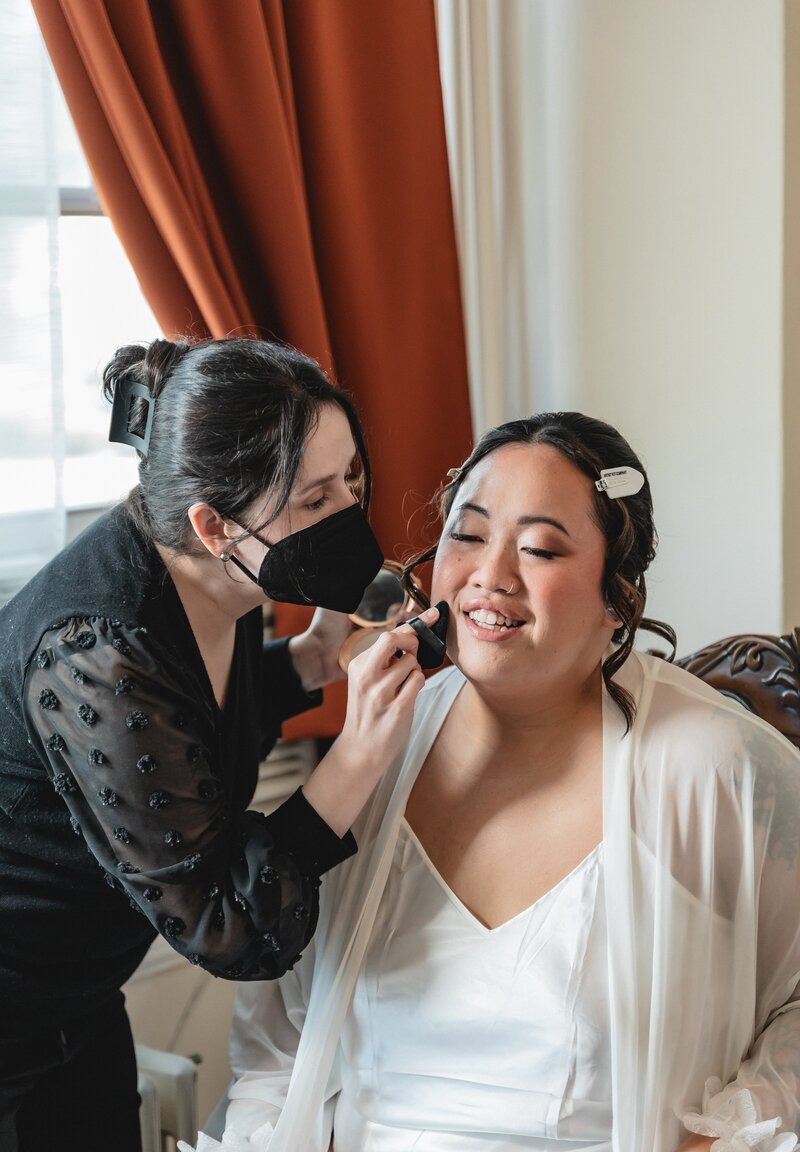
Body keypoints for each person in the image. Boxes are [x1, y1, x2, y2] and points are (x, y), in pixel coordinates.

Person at [190, 412, 800, 1152]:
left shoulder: (708, 767)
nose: (491, 577)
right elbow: (275, 1050)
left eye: (540, 547)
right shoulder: (373, 758)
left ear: (618, 599)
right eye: (469, 536)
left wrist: (724, 1137)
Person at [0, 336, 438, 1152]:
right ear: (214, 525)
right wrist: (357, 757)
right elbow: (230, 922)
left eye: (351, 481)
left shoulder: (206, 576)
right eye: (314, 501)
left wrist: (308, 662)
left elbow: (178, 726)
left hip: (79, 1005)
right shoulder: (97, 649)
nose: (347, 512)